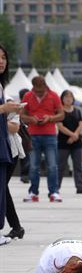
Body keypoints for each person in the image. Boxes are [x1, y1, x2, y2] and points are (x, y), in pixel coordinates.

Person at [20, 76, 65, 202]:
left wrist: (49, 118)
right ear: (33, 87)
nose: (38, 93)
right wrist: (31, 119)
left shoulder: (54, 96)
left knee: (52, 165)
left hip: (50, 134)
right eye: (36, 90)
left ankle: (54, 192)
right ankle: (33, 192)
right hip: (33, 134)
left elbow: (62, 114)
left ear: (45, 86)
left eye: (40, 91)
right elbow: (22, 115)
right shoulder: (28, 96)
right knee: (33, 166)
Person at [0, 45, 22, 245]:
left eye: (4, 57)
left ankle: (13, 226)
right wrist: (4, 109)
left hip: (6, 148)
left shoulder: (1, 87)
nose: (1, 61)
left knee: (2, 190)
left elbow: (15, 126)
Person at [57, 90, 82, 195]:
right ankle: (55, 187)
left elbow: (81, 124)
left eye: (70, 97)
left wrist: (75, 135)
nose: (68, 99)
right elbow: (60, 126)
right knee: (60, 166)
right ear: (62, 99)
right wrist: (72, 135)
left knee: (78, 166)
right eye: (66, 97)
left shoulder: (77, 111)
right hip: (63, 142)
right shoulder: (60, 111)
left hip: (76, 142)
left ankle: (80, 187)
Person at [3, 96, 25, 241]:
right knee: (3, 188)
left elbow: (14, 127)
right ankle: (16, 226)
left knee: (2, 187)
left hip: (10, 151)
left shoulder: (10, 104)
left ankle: (16, 226)